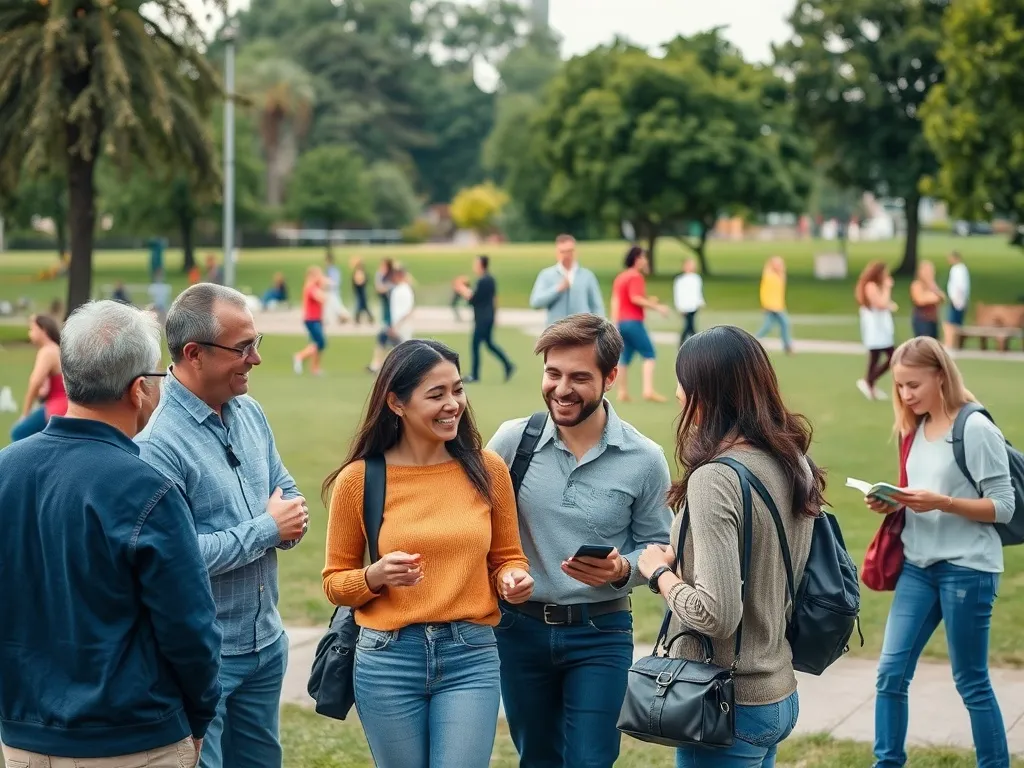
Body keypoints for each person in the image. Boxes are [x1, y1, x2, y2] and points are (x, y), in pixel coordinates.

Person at [0, 300, 221, 768]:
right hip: (132, 740)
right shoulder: (148, 489)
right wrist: (200, 716)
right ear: (139, 389)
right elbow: (190, 629)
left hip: (23, 739)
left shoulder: (6, 469)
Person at [322, 339, 534, 767]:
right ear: (396, 403)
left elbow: (508, 557)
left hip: (470, 654)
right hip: (388, 659)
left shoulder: (488, 469)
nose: (452, 404)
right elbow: (334, 584)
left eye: (458, 389)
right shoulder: (359, 479)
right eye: (436, 394)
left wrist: (512, 577)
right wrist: (375, 575)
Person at [486, 313, 673, 768]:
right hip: (519, 631)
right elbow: (474, 525)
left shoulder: (644, 459)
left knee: (592, 759)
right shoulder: (513, 441)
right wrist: (503, 573)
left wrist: (623, 569)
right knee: (537, 759)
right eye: (553, 373)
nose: (561, 389)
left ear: (610, 378)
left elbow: (660, 545)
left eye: (579, 378)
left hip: (601, 633)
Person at [136, 283, 309, 768]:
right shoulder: (158, 444)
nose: (256, 358)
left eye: (256, 343)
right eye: (243, 348)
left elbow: (289, 494)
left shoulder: (250, 412)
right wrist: (268, 529)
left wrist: (284, 522)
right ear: (194, 354)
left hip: (266, 641)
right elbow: (180, 556)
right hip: (204, 653)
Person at [637, 325, 821, 767]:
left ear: (707, 393)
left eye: (683, 382)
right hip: (776, 690)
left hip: (726, 702)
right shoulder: (793, 460)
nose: (677, 394)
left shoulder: (716, 478)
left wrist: (659, 573)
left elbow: (716, 615)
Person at [866, 336, 1013, 768]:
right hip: (917, 565)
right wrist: (892, 502)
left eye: (913, 385)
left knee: (971, 681)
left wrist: (943, 503)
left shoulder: (975, 428)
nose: (905, 395)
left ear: (941, 377)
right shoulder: (914, 427)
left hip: (967, 568)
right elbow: (921, 492)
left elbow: (1004, 506)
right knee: (890, 675)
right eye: (899, 386)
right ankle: (887, 763)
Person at [610, 246, 668, 403]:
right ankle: (648, 390)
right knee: (649, 353)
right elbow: (635, 298)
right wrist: (657, 307)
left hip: (621, 322)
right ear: (637, 259)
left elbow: (616, 300)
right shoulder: (636, 276)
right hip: (633, 321)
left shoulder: (620, 277)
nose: (646, 261)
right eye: (643, 257)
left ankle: (622, 392)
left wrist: (615, 321)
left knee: (625, 357)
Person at [454, 254, 515, 383]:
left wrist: (462, 289)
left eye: (476, 263)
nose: (474, 266)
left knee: (475, 344)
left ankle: (475, 375)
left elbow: (474, 299)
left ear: (481, 265)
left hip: (482, 318)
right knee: (489, 344)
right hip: (488, 316)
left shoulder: (482, 281)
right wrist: (495, 315)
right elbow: (494, 298)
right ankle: (508, 365)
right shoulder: (490, 279)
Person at [10, 313, 67, 442]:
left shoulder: (47, 351)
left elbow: (35, 382)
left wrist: (25, 414)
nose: (29, 333)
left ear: (43, 330)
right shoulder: (56, 349)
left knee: (19, 432)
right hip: (63, 406)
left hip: (57, 406)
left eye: (32, 329)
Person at [529, 234, 605, 325]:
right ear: (557, 253)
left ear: (575, 252)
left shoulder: (587, 276)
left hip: (581, 329)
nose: (567, 255)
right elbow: (536, 302)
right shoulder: (546, 275)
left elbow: (597, 306)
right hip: (556, 329)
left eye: (570, 251)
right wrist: (557, 289)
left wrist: (600, 328)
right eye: (563, 252)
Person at [855, 261, 898, 401]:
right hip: (875, 328)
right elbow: (880, 304)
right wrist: (887, 287)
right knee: (893, 356)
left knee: (876, 357)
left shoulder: (875, 286)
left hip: (881, 327)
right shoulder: (871, 286)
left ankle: (870, 384)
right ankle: (869, 381)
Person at [368, 265, 415, 374]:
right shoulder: (397, 289)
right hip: (396, 324)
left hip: (401, 326)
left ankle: (386, 368)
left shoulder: (404, 290)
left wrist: (396, 326)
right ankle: (379, 366)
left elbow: (408, 311)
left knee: (402, 349)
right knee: (388, 343)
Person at [755, 256, 794, 354]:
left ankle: (754, 341)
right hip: (772, 306)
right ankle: (787, 346)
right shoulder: (769, 276)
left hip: (779, 305)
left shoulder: (779, 276)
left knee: (769, 325)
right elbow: (764, 291)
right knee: (784, 323)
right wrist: (765, 304)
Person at [294, 265, 328, 376]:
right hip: (311, 319)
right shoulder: (311, 287)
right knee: (320, 343)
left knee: (316, 344)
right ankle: (300, 356)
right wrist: (323, 287)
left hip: (316, 319)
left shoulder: (315, 286)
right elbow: (321, 298)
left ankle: (314, 368)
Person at [909, 260, 945, 340]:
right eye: (927, 270)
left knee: (934, 343)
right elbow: (920, 300)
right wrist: (932, 297)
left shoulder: (932, 285)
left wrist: (932, 285)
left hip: (933, 319)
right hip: (922, 319)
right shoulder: (917, 284)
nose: (929, 273)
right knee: (924, 343)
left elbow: (942, 297)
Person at [673, 257, 705, 345]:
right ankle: (696, 342)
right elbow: (678, 294)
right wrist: (679, 306)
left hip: (694, 305)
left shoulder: (696, 278)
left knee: (690, 326)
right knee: (689, 326)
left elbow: (698, 291)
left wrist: (701, 301)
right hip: (685, 306)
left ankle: (690, 342)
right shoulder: (680, 280)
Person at [943, 251, 970, 349]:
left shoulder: (957, 269)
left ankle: (951, 343)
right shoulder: (962, 269)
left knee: (952, 323)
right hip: (959, 299)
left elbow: (959, 286)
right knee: (956, 322)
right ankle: (955, 343)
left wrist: (955, 298)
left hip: (956, 300)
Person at [324, 253, 352, 323]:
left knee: (337, 306)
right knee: (329, 306)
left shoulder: (334, 270)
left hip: (333, 291)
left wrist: (327, 283)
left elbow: (335, 282)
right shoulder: (328, 269)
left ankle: (346, 316)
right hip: (329, 291)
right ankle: (330, 319)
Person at [350, 257, 374, 324]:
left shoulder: (361, 272)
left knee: (362, 304)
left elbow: (364, 280)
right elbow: (355, 281)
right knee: (361, 304)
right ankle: (359, 318)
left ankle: (359, 318)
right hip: (359, 290)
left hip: (362, 290)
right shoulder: (357, 272)